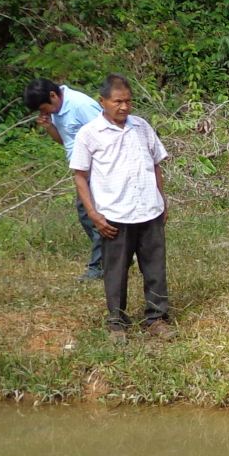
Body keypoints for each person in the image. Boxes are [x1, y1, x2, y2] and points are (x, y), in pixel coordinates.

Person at [71, 75, 175, 343]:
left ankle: (157, 318)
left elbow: (155, 165)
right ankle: (116, 321)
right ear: (102, 101)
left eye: (128, 101)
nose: (125, 107)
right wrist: (93, 214)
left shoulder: (141, 127)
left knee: (154, 267)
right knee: (115, 269)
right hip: (114, 214)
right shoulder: (89, 134)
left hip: (148, 209)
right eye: (118, 101)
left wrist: (161, 200)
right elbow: (80, 176)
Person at [24, 77, 107, 280]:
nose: (44, 113)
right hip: (82, 171)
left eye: (45, 108)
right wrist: (50, 126)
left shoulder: (80, 105)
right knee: (86, 215)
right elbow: (66, 141)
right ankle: (114, 255)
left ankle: (100, 266)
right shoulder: (58, 111)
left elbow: (106, 136)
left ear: (53, 95)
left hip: (98, 169)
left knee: (94, 216)